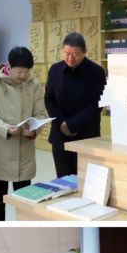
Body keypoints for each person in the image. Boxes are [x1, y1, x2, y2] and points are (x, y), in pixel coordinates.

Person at [0, 47, 45, 220]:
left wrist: (35, 130)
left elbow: (40, 113)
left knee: (24, 203)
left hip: (24, 152)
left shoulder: (34, 84)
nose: (23, 76)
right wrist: (6, 129)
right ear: (9, 66)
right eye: (19, 72)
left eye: (26, 72)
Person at [44, 32, 106, 177]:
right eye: (67, 53)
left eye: (75, 54)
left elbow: (97, 104)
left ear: (84, 52)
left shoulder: (97, 72)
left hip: (86, 135)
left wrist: (72, 125)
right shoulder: (55, 70)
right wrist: (62, 123)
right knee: (63, 180)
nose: (70, 58)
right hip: (60, 136)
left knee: (86, 179)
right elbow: (49, 99)